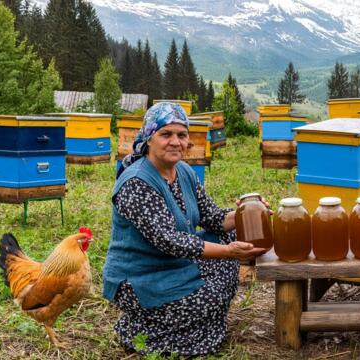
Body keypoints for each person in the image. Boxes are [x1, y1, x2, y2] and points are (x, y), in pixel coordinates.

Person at [102, 102, 267, 356]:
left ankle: (186, 325)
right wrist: (229, 253)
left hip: (174, 266)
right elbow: (171, 241)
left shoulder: (184, 172)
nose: (175, 142)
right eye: (166, 134)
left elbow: (213, 218)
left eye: (182, 135)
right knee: (211, 296)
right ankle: (140, 330)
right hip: (140, 278)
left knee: (230, 235)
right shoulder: (136, 182)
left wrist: (249, 211)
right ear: (149, 138)